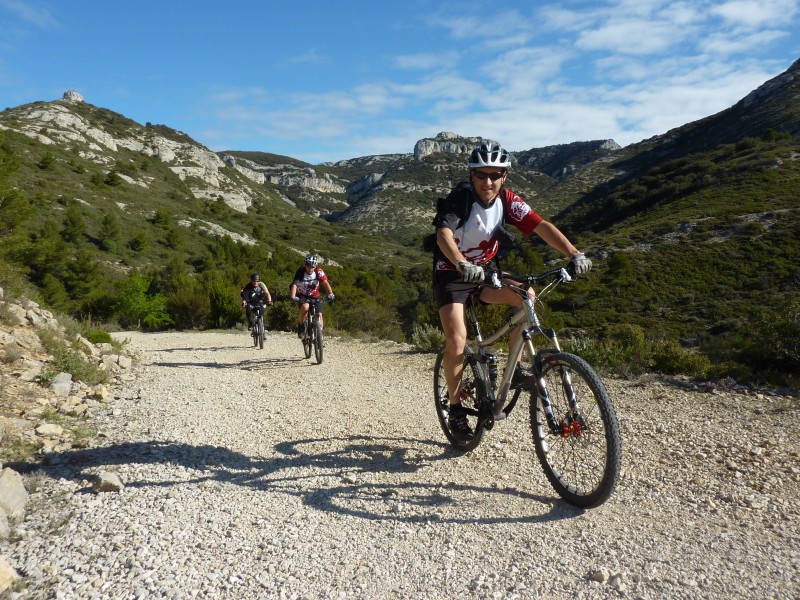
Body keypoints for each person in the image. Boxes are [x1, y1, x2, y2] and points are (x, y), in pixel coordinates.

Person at [433, 142, 592, 440]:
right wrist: (460, 262)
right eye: (481, 175)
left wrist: (574, 253)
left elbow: (540, 225)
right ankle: (455, 408)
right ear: (472, 175)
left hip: (486, 272)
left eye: (495, 174)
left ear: (504, 176)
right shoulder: (460, 200)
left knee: (527, 297)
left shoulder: (507, 200)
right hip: (452, 273)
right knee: (457, 338)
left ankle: (515, 368)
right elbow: (443, 234)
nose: (488, 181)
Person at [289, 254, 335, 338]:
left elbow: (325, 282)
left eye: (312, 267)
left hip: (314, 295)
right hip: (302, 294)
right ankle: (301, 325)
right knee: (305, 307)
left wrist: (330, 294)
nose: (310, 269)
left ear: (315, 266)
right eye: (308, 267)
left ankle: (319, 336)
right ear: (305, 265)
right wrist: (293, 296)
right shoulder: (301, 271)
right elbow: (295, 284)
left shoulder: (318, 271)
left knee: (319, 314)